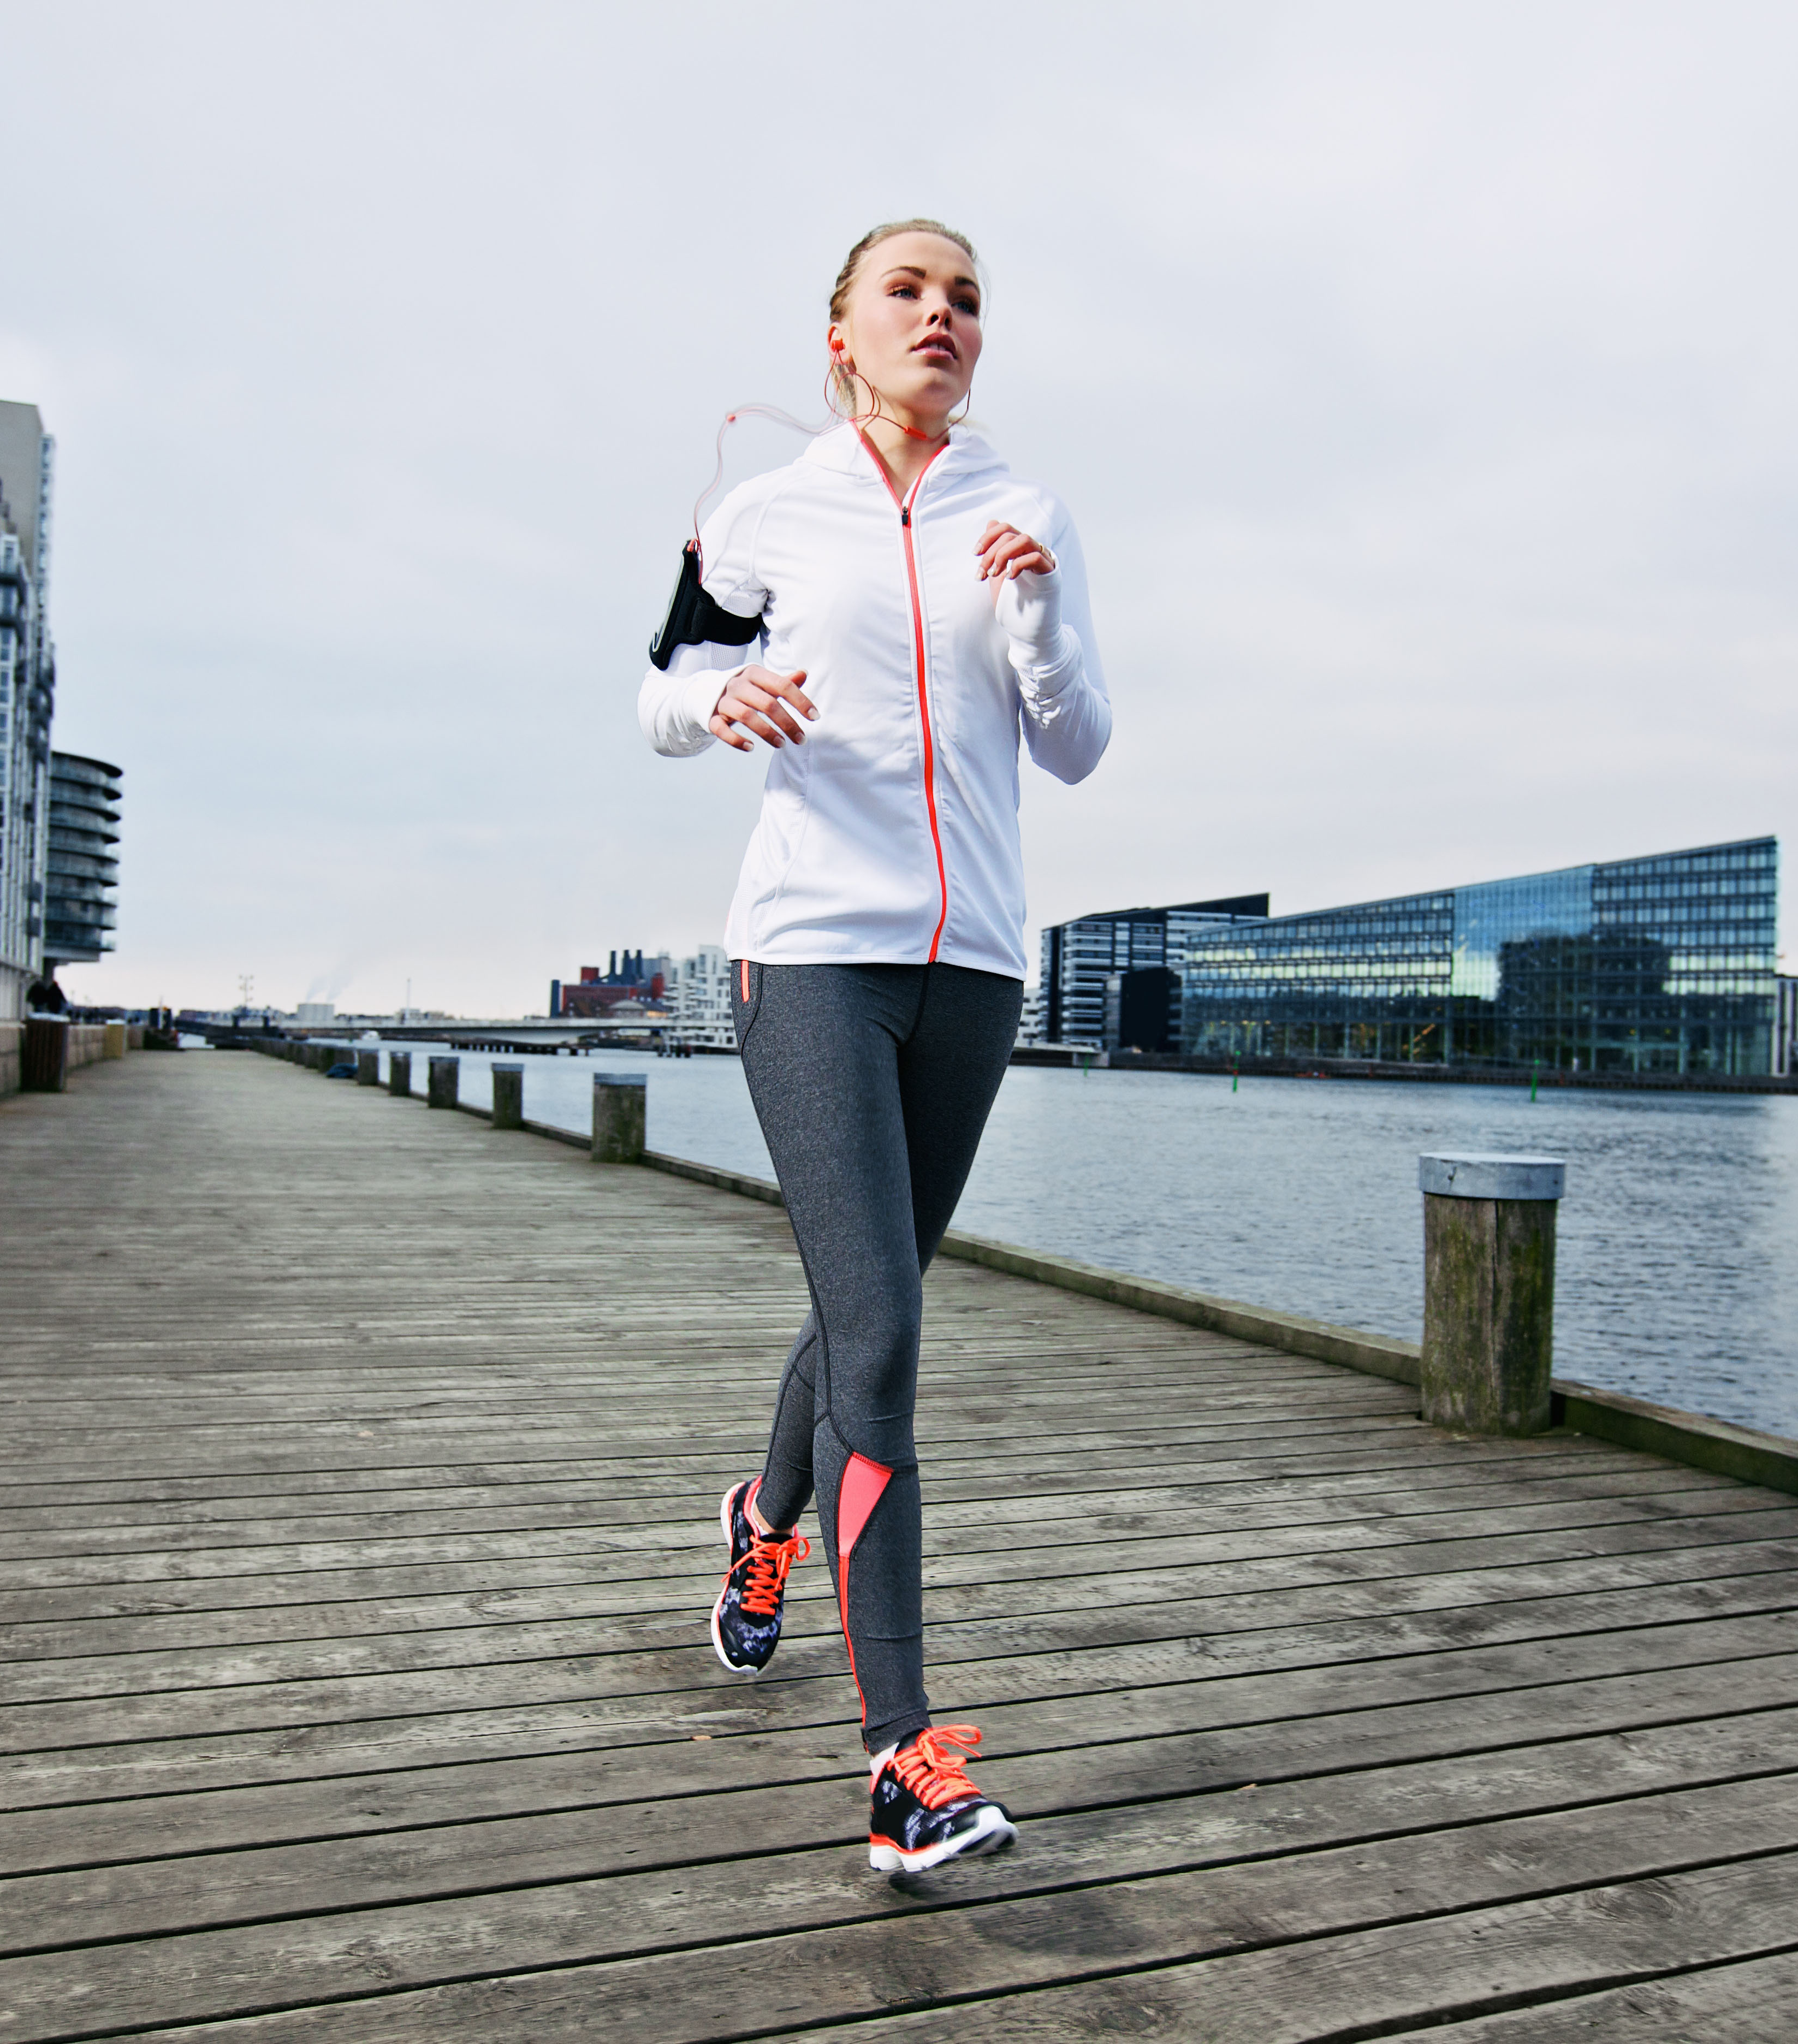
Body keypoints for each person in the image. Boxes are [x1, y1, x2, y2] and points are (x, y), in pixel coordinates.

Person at [638, 220, 1109, 1875]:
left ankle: (763, 1524)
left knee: (866, 1294)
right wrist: (723, 704)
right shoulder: (765, 509)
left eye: (967, 297)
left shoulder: (1023, 511)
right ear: (838, 332)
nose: (942, 315)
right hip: (813, 951)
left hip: (974, 965)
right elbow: (658, 691)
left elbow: (1078, 744)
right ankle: (901, 1755)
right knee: (888, 1326)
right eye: (908, 290)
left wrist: (1038, 616)